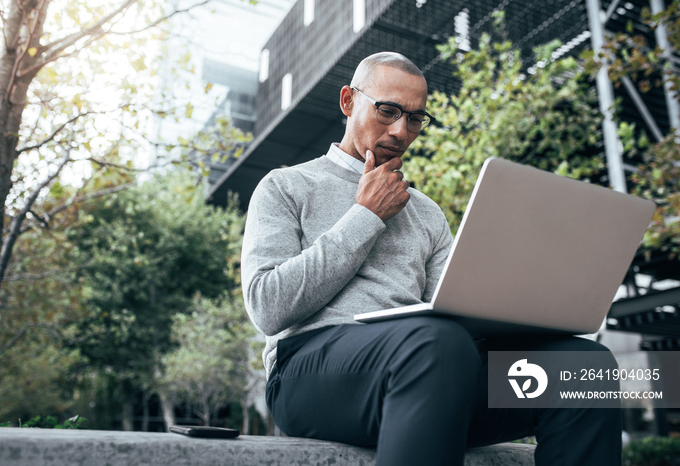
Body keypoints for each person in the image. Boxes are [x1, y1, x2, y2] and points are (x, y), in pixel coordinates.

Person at [241, 51, 621, 465]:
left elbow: (455, 313)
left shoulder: (427, 211)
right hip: (309, 373)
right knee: (436, 342)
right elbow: (267, 306)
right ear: (348, 101)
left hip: (435, 368)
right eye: (387, 111)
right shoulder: (286, 185)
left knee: (585, 366)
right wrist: (365, 216)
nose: (401, 131)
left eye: (416, 118)